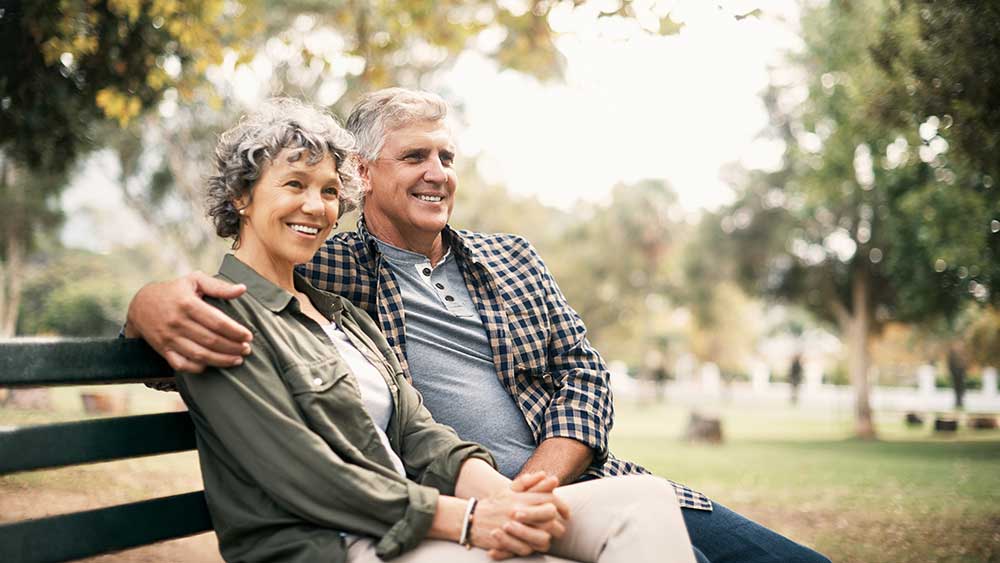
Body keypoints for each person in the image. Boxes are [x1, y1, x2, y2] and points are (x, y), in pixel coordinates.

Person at [126, 88, 830, 563]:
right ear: (364, 176)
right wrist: (147, 302)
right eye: (414, 157)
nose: (438, 173)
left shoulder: (508, 258)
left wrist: (531, 490)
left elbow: (583, 377)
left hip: (554, 482)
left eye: (446, 157)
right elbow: (225, 304)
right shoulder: (331, 271)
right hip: (422, 516)